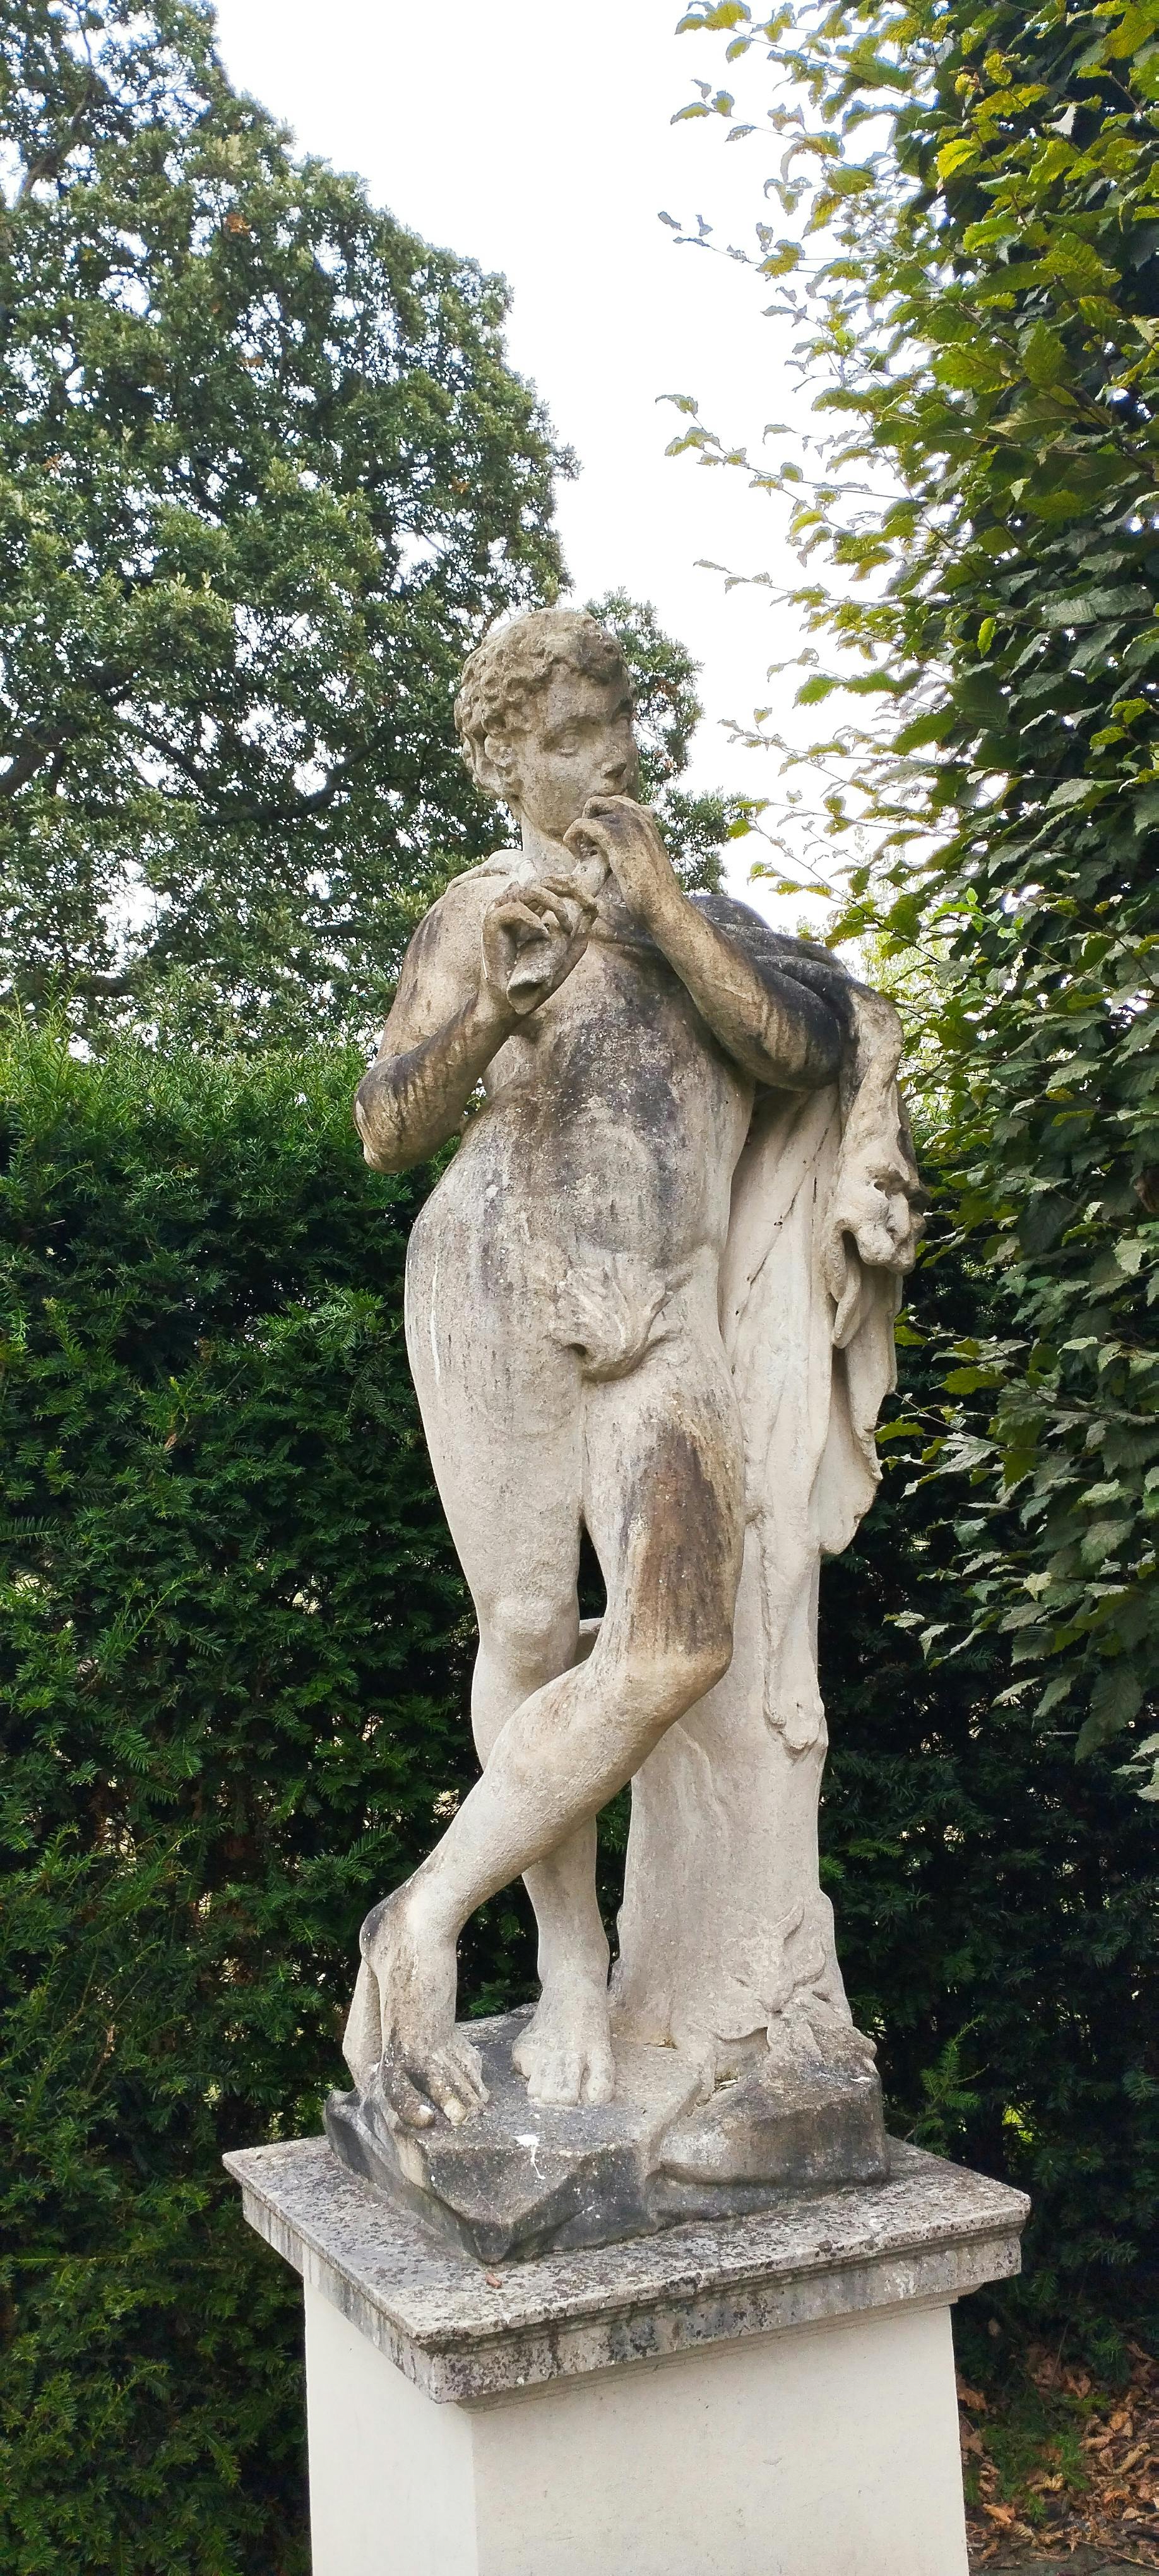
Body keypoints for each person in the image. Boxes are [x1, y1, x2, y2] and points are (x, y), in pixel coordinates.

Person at [343, 605, 866, 2132]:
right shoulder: (479, 910)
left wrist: (663, 910)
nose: (608, 756)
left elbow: (803, 1050)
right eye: (568, 737)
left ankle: (422, 1914)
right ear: (507, 764)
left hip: (662, 1311)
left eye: (616, 723)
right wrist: (493, 1009)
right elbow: (387, 1126)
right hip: (494, 1281)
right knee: (523, 1627)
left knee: (675, 1641)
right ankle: (574, 1965)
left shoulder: (707, 918)